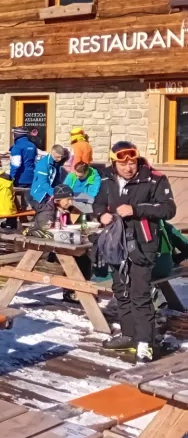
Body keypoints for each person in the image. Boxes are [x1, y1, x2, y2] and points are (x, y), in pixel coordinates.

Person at [94, 142, 176, 363]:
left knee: (140, 294)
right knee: (121, 290)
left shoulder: (154, 178)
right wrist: (101, 215)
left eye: (132, 162)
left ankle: (145, 343)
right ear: (114, 162)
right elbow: (98, 204)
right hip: (116, 243)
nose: (128, 167)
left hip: (143, 243)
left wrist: (136, 210)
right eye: (123, 163)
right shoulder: (106, 179)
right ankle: (129, 334)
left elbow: (168, 209)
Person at [29, 144, 68, 218]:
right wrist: (54, 194)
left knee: (64, 206)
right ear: (52, 153)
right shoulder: (43, 164)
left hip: (50, 194)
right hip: (39, 195)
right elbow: (43, 183)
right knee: (48, 210)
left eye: (61, 157)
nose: (59, 159)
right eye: (57, 157)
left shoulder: (58, 163)